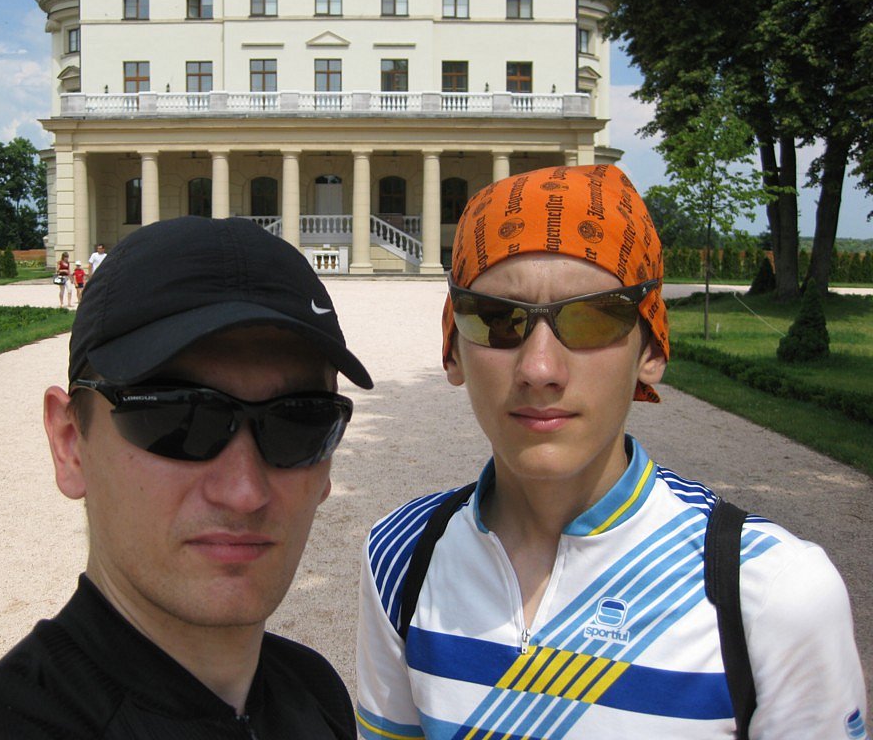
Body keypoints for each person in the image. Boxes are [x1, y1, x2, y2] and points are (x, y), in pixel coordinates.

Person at [355, 165, 868, 739]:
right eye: (498, 319)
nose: (539, 369)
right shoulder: (401, 557)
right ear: (452, 347)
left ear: (652, 349)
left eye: (593, 317)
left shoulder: (771, 591)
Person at [0, 216, 372, 739]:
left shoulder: (315, 691)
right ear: (70, 444)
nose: (244, 492)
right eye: (176, 418)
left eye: (300, 422)